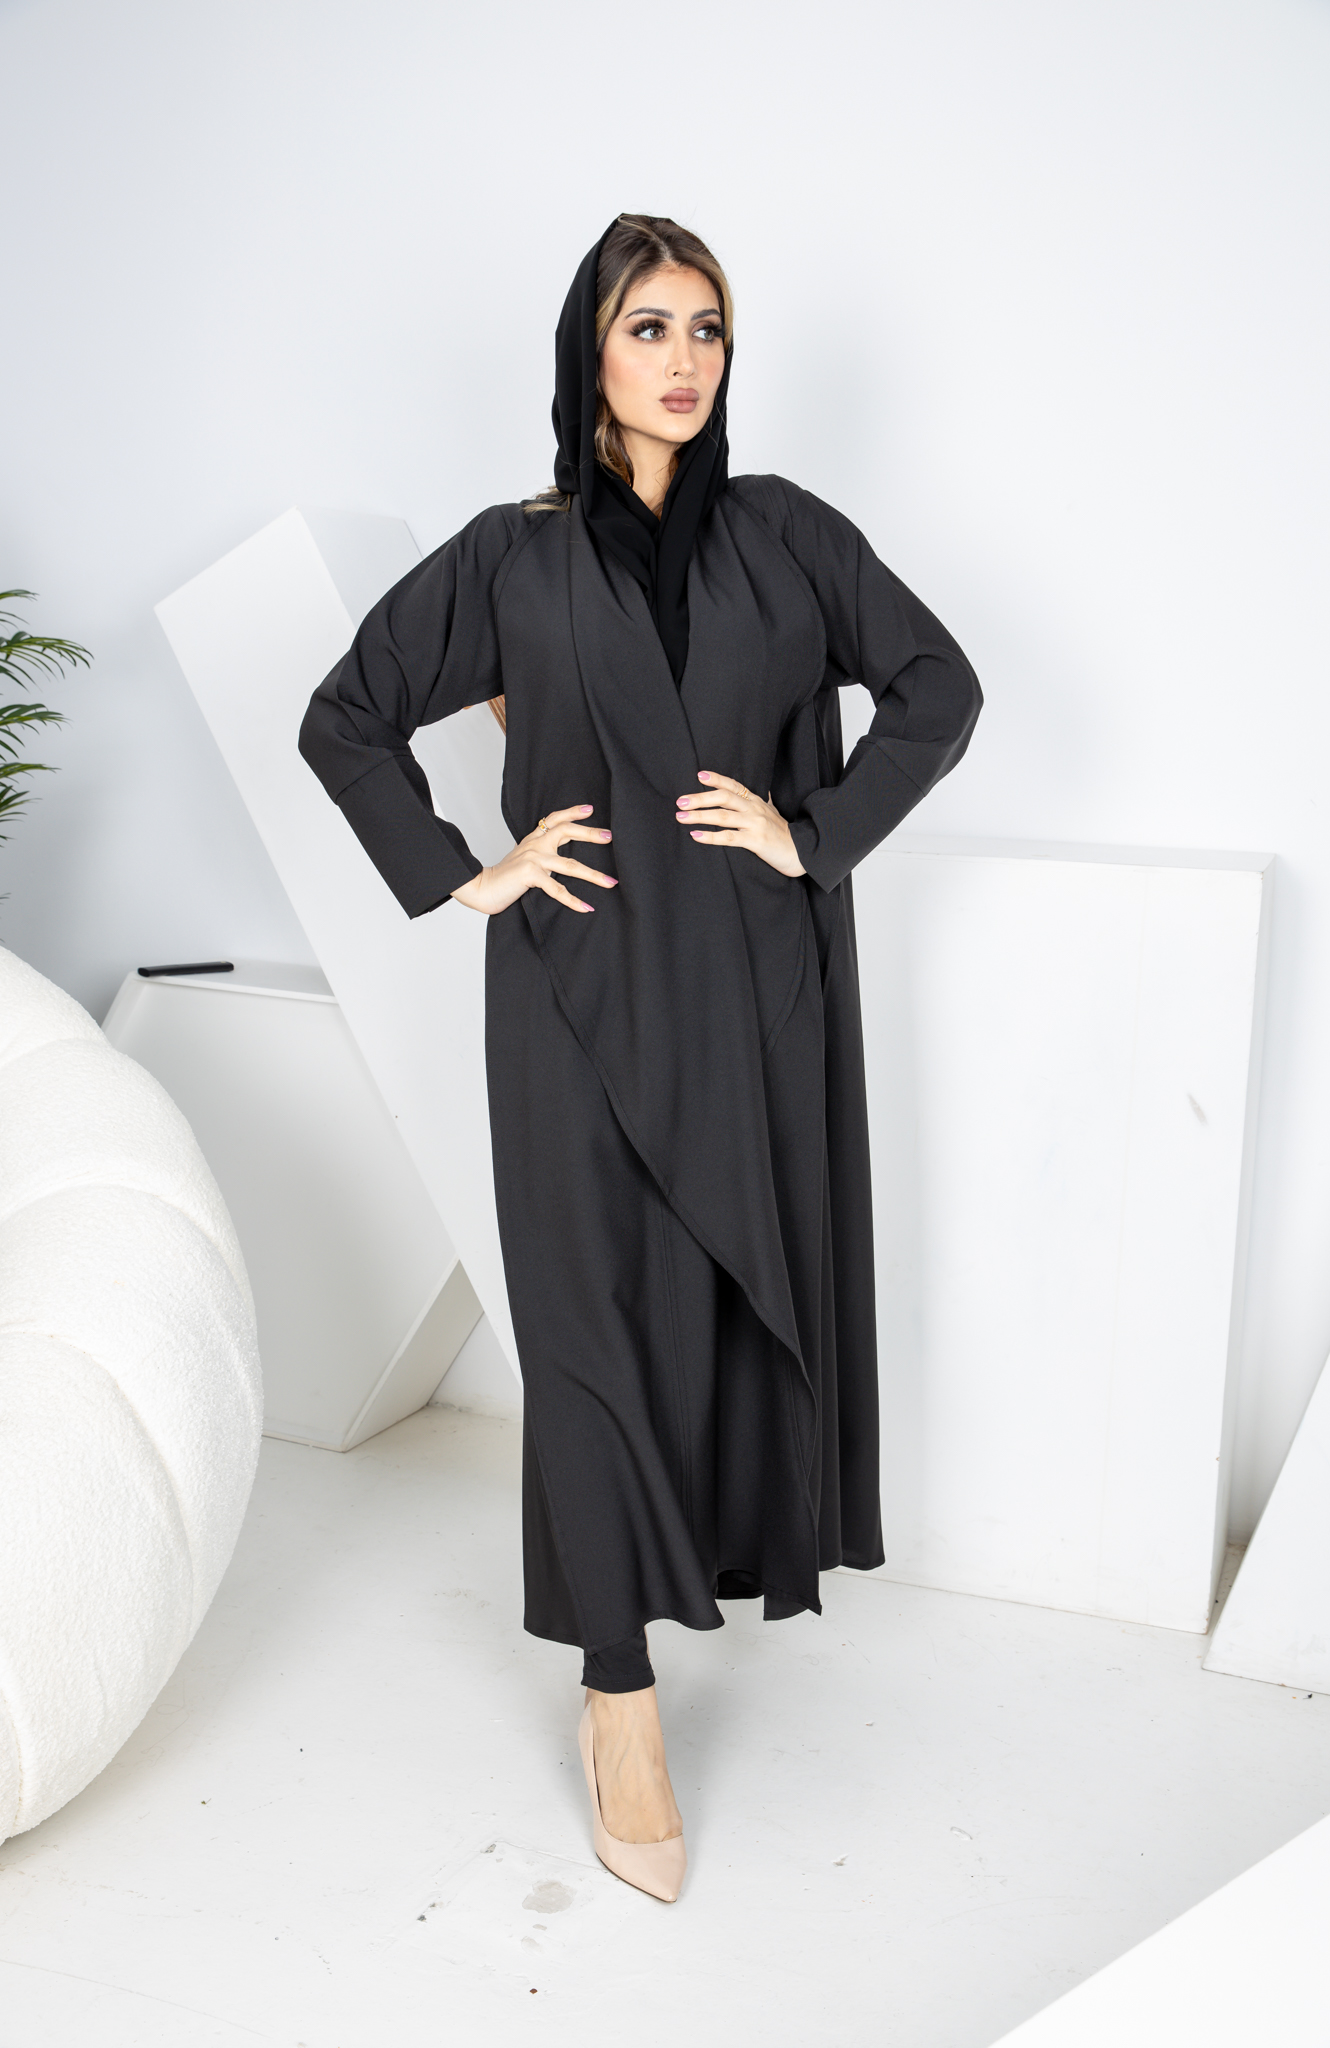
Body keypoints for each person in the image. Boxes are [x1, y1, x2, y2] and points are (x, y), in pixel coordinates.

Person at [299, 214, 981, 1903]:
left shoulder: (788, 536)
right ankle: (619, 1694)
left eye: (707, 328)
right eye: (649, 327)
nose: (684, 360)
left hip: (750, 999)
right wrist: (467, 869)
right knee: (587, 1340)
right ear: (588, 353)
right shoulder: (512, 558)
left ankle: (700, 1585)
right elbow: (346, 715)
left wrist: (815, 832)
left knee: (731, 1320)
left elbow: (938, 687)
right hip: (574, 994)